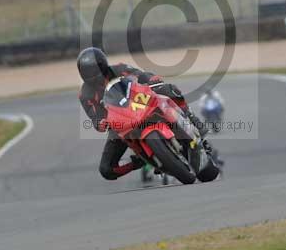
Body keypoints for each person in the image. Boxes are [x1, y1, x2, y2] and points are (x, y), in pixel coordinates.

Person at [77, 47, 210, 180]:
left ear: (103, 65)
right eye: (88, 73)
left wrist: (152, 79)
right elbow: (94, 117)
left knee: (168, 89)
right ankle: (140, 161)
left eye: (95, 70)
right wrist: (100, 123)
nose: (93, 76)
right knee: (106, 169)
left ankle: (193, 120)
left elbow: (139, 74)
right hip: (119, 123)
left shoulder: (118, 68)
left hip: (141, 102)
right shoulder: (85, 94)